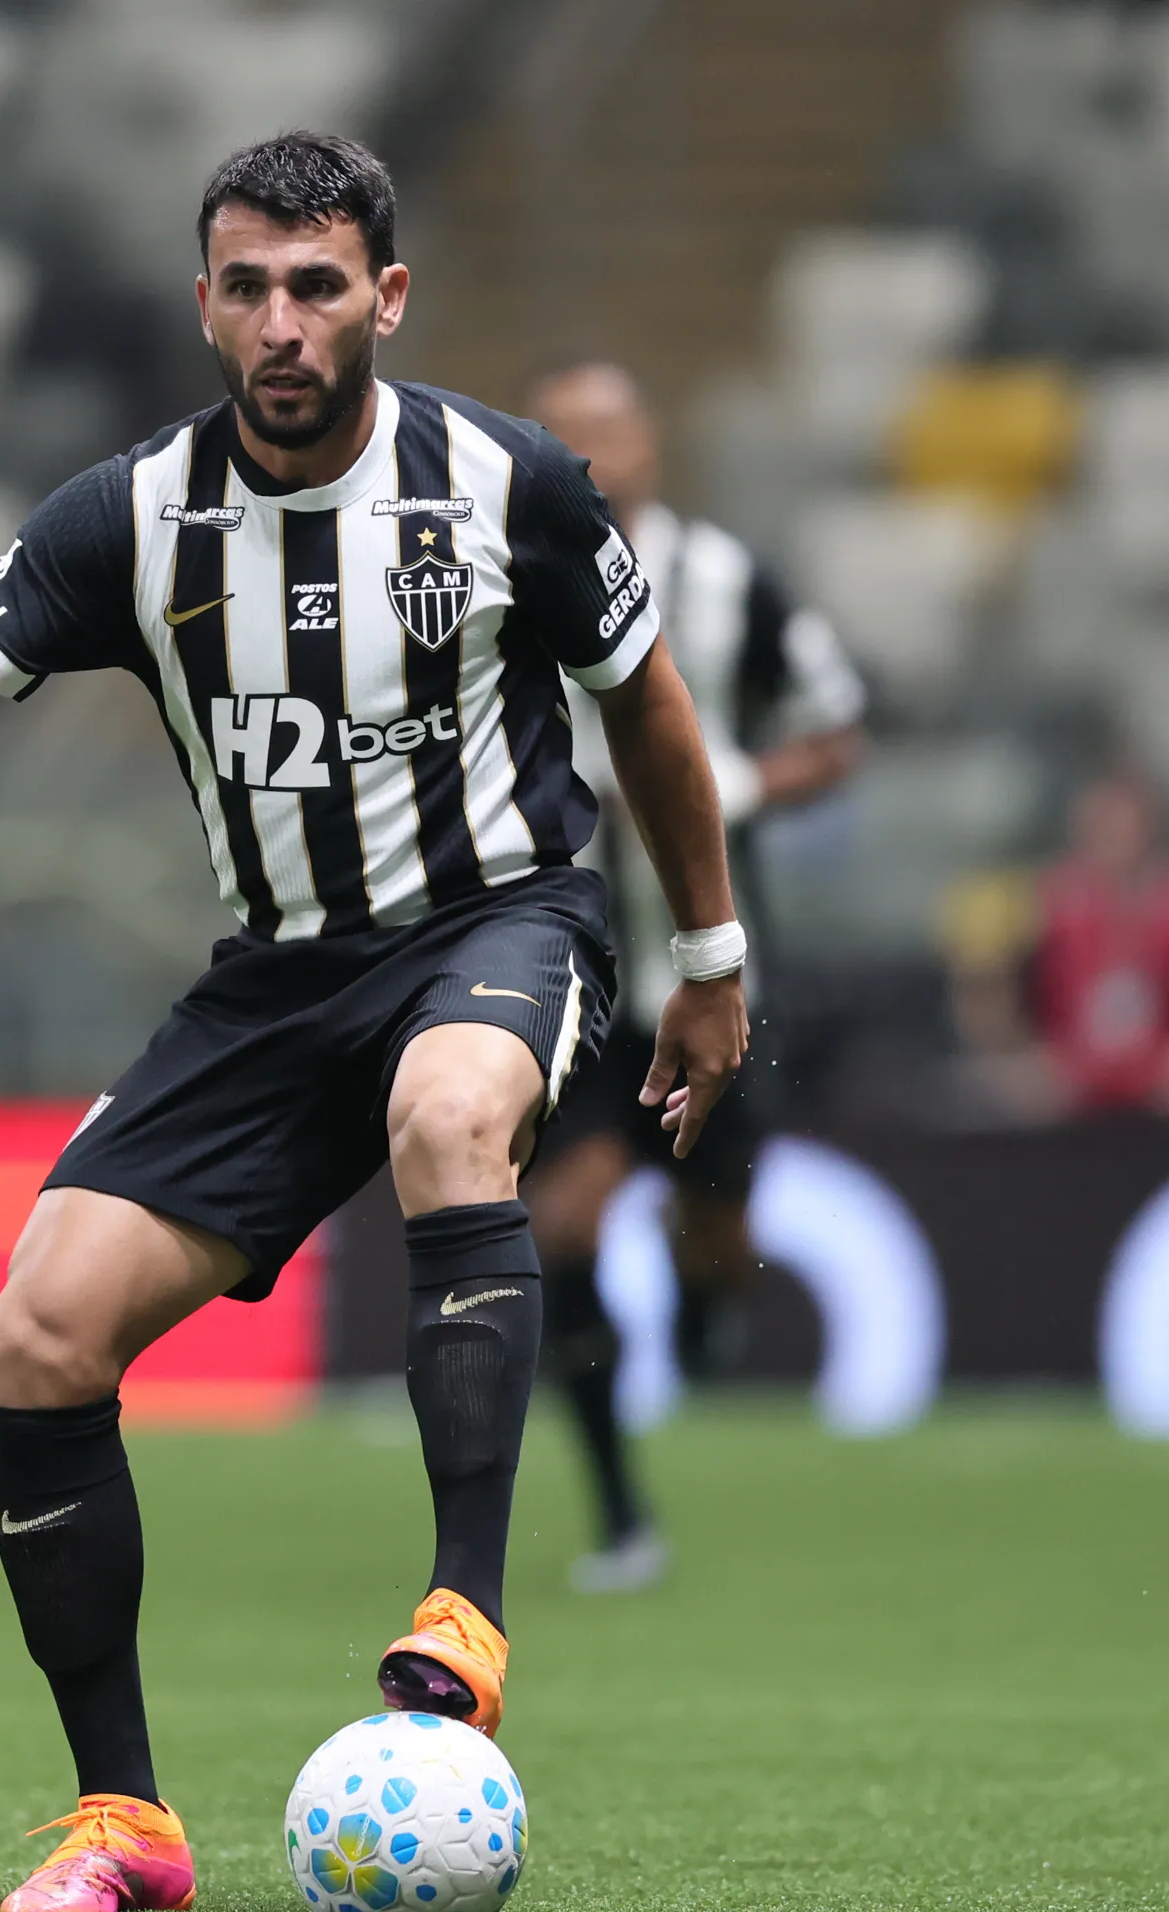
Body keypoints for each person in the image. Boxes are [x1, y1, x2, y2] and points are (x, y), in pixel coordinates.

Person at [0, 134, 747, 1912]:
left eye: (318, 285)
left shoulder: (510, 485)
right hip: (272, 983)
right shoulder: (134, 516)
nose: (282, 323)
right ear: (204, 304)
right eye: (247, 286)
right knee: (39, 1334)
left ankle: (462, 1610)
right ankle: (125, 1823)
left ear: (386, 298)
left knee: (448, 1122)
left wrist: (707, 950)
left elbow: (648, 709)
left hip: (498, 918)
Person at [520, 362, 869, 1593]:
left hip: (715, 976)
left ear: (651, 445)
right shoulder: (487, 590)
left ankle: (701, 1304)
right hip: (572, 980)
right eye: (563, 438)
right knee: (556, 1227)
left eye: (607, 433)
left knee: (715, 1239)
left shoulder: (724, 584)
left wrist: (738, 782)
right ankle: (622, 1513)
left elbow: (841, 722)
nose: (589, 459)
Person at [949, 766, 1169, 1121]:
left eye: (1128, 825)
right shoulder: (1040, 903)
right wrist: (1014, 1061)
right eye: (1105, 825)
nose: (1118, 837)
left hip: (1167, 1103)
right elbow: (986, 998)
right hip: (1065, 1102)